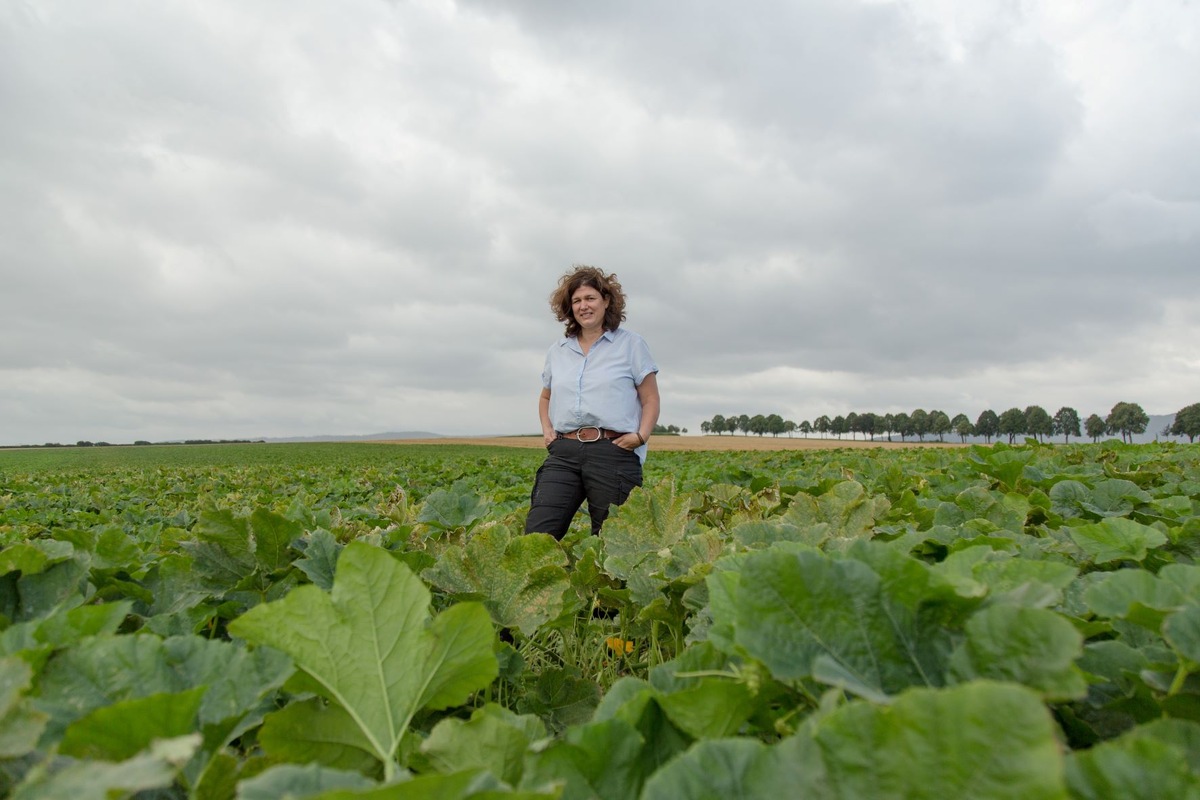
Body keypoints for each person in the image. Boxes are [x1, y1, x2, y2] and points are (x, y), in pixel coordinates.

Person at [525, 266, 660, 538]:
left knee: (613, 539)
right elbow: (545, 396)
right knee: (538, 534)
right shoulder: (558, 351)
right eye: (576, 301)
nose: (583, 306)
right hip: (564, 451)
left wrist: (641, 436)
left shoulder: (631, 345)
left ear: (606, 301)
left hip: (613, 450)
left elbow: (650, 398)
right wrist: (547, 430)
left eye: (590, 298)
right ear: (569, 307)